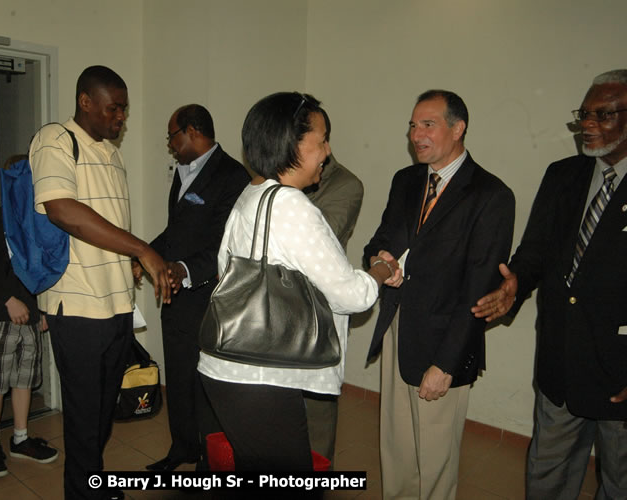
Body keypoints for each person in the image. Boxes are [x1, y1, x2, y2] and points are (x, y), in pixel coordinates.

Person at [197, 92, 390, 470]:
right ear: (293, 143)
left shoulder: (250, 196)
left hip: (226, 367)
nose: (327, 152)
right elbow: (351, 295)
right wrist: (381, 270)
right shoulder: (293, 206)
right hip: (262, 377)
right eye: (321, 140)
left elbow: (226, 271)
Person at [472, 70, 627, 499]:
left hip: (620, 372)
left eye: (604, 114)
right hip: (561, 361)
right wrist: (515, 285)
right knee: (547, 479)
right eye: (585, 114)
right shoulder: (564, 175)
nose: (588, 124)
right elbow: (535, 250)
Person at [363, 90, 515, 500]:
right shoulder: (406, 181)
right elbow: (378, 243)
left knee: (434, 460)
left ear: (458, 128)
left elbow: (479, 289)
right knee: (395, 450)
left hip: (444, 342)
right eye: (413, 125)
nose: (416, 134)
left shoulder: (490, 196)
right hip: (398, 329)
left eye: (428, 124)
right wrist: (381, 262)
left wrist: (445, 364)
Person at [29, 65, 170, 500]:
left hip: (116, 305)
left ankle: (92, 483)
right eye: (115, 109)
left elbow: (107, 224)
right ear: (85, 101)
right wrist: (141, 250)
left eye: (125, 111)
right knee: (84, 413)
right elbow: (62, 209)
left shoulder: (111, 153)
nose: (121, 118)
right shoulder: (55, 139)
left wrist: (125, 263)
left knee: (105, 409)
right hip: (78, 307)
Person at [143, 104, 249, 472]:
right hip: (174, 295)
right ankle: (181, 449)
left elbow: (226, 243)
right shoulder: (182, 172)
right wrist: (146, 253)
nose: (170, 145)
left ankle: (209, 459)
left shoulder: (232, 175)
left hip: (207, 296)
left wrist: (184, 269)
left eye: (172, 136)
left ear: (192, 132)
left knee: (206, 384)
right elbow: (178, 228)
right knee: (179, 375)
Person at [0, 173, 58, 478]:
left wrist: (40, 308)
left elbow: (42, 270)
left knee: (24, 380)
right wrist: (8, 299)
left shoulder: (38, 222)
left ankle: (21, 438)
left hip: (29, 317)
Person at [302, 107, 364, 465]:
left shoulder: (345, 184)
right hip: (278, 315)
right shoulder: (276, 182)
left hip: (317, 315)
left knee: (316, 420)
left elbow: (316, 242)